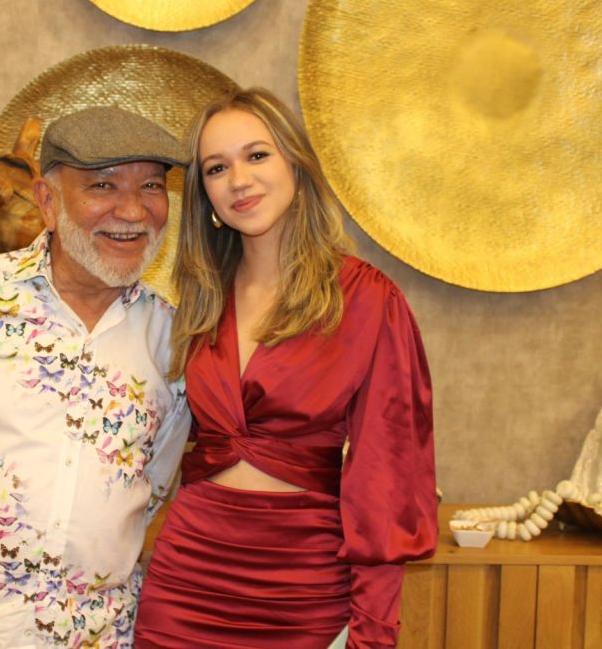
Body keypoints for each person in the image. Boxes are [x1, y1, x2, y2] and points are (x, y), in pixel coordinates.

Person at [0, 106, 192, 648]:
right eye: (103, 185)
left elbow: (152, 485)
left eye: (151, 187)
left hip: (96, 635)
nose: (133, 210)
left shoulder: (173, 338)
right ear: (47, 201)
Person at [133, 88, 438, 649]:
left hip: (303, 588)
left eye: (257, 155)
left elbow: (388, 480)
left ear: (295, 162)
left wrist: (373, 631)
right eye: (217, 168)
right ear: (205, 195)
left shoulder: (368, 300)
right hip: (186, 582)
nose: (239, 180)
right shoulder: (200, 298)